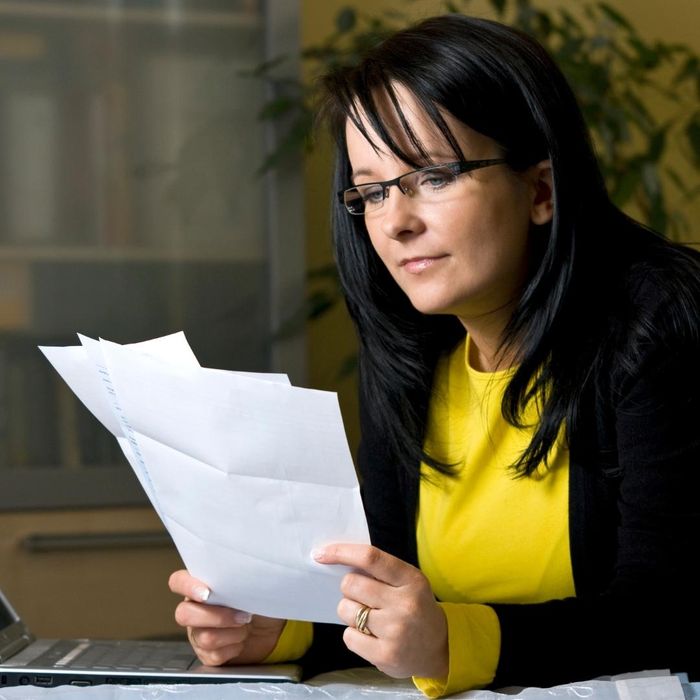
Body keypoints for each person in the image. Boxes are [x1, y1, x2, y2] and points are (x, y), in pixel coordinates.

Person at [168, 13, 700, 697]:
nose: (396, 221)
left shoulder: (663, 328)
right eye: (373, 190)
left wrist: (450, 642)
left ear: (540, 189)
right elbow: (390, 596)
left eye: (434, 176)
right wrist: (282, 629)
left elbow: (671, 613)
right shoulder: (411, 359)